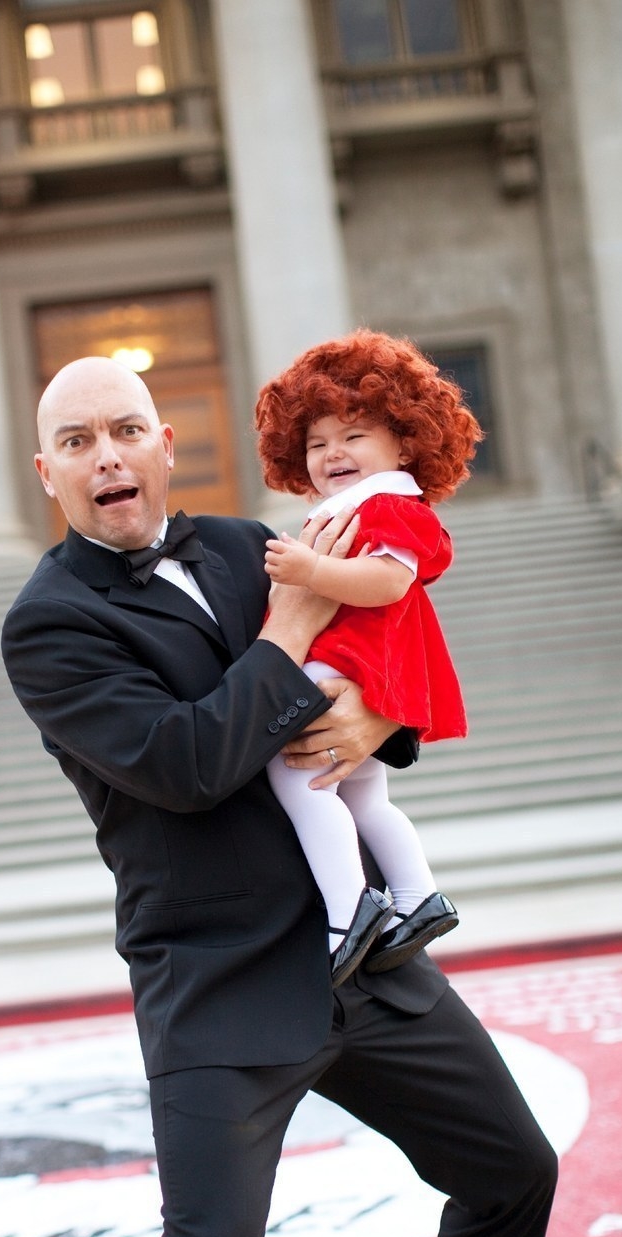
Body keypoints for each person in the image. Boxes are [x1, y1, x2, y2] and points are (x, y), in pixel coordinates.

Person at [1, 355, 593, 1237]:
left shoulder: (241, 545)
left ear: (167, 445)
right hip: (219, 972)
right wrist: (299, 616)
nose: (108, 456)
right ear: (49, 473)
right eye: (78, 442)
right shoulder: (49, 625)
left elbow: (387, 653)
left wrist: (378, 723)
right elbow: (186, 765)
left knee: (513, 1166)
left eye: (126, 429)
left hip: (360, 950)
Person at [254, 329, 478, 986]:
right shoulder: (359, 506)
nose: (333, 454)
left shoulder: (388, 505)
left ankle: (349, 909)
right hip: (358, 667)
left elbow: (388, 581)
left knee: (297, 776)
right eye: (317, 443)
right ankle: (415, 896)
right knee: (363, 801)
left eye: (354, 435)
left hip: (348, 665)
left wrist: (310, 569)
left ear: (404, 440)